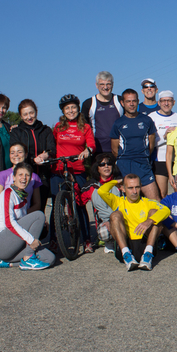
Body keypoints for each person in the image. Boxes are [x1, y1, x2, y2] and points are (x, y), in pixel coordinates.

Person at [98, 174, 171, 271]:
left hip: (145, 243)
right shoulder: (118, 201)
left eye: (137, 187)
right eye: (130, 188)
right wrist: (117, 181)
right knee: (115, 215)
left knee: (155, 213)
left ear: (141, 187)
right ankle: (126, 255)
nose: (135, 191)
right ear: (123, 189)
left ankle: (148, 255)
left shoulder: (147, 202)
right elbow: (101, 191)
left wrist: (149, 221)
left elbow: (166, 210)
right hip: (127, 244)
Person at [0, 162, 54, 270]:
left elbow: (23, 221)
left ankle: (6, 262)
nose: (24, 178)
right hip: (0, 242)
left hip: (14, 244)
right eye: (20, 175)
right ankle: (28, 258)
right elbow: (9, 223)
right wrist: (31, 240)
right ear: (14, 177)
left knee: (49, 258)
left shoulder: (22, 196)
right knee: (39, 215)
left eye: (27, 175)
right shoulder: (8, 193)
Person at [52, 94, 96, 250]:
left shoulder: (85, 127)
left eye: (73, 107)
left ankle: (87, 239)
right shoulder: (58, 127)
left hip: (77, 168)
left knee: (80, 204)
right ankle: (55, 238)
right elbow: (51, 145)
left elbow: (91, 144)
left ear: (78, 109)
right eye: (67, 108)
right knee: (57, 205)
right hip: (60, 169)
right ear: (63, 111)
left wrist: (87, 151)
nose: (70, 110)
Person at [110, 89, 158, 199]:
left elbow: (150, 145)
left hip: (143, 164)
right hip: (125, 165)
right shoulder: (118, 123)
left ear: (138, 101)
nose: (131, 104)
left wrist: (143, 156)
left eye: (134, 101)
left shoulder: (147, 120)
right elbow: (114, 149)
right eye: (128, 101)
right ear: (122, 103)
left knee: (156, 202)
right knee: (128, 202)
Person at [10, 99, 56, 212]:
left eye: (31, 113)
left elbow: (52, 150)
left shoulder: (46, 130)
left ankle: (44, 229)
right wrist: (32, 159)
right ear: (20, 116)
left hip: (43, 175)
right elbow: (16, 153)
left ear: (36, 112)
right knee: (24, 209)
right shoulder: (17, 132)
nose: (29, 117)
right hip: (24, 176)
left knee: (40, 209)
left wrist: (45, 156)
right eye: (25, 114)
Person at [79, 152, 122, 254]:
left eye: (109, 164)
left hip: (121, 218)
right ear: (97, 168)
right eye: (102, 164)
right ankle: (109, 242)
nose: (106, 166)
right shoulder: (91, 186)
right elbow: (79, 202)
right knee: (105, 233)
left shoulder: (120, 182)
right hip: (104, 223)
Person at [0, 143, 43, 215]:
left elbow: (37, 204)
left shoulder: (34, 177)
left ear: (26, 154)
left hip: (25, 216)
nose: (16, 155)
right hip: (5, 216)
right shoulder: (2, 175)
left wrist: (23, 214)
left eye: (19, 152)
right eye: (12, 153)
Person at [81, 71, 123, 154]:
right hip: (98, 151)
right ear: (96, 85)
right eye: (102, 84)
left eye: (108, 84)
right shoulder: (88, 103)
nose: (105, 87)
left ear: (112, 84)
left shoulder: (120, 101)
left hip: (119, 149)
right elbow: (83, 128)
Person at [149, 90, 177, 198]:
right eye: (163, 101)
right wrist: (164, 137)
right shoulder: (152, 117)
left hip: (176, 160)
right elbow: (150, 141)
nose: (166, 103)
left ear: (174, 102)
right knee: (162, 193)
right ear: (159, 102)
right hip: (159, 159)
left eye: (169, 101)